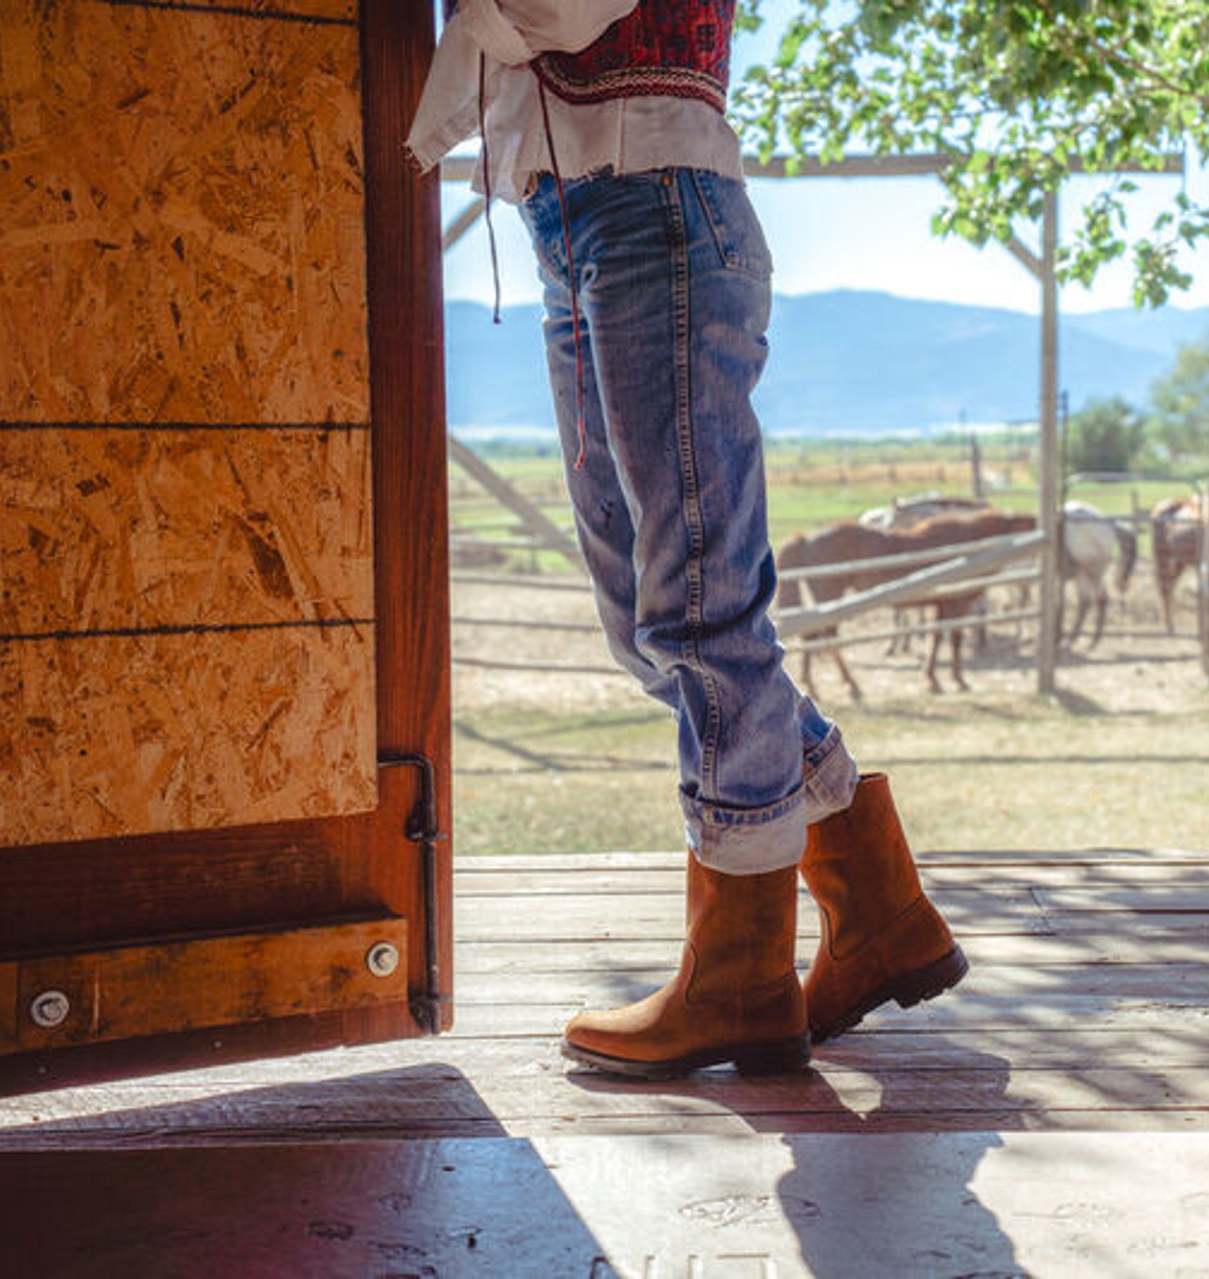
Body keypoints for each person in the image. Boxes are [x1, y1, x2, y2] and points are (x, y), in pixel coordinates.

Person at [408, 0, 965, 1079]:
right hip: (580, 218)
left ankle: (744, 977)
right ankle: (877, 904)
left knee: (697, 614)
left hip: (648, 203)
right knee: (652, 625)